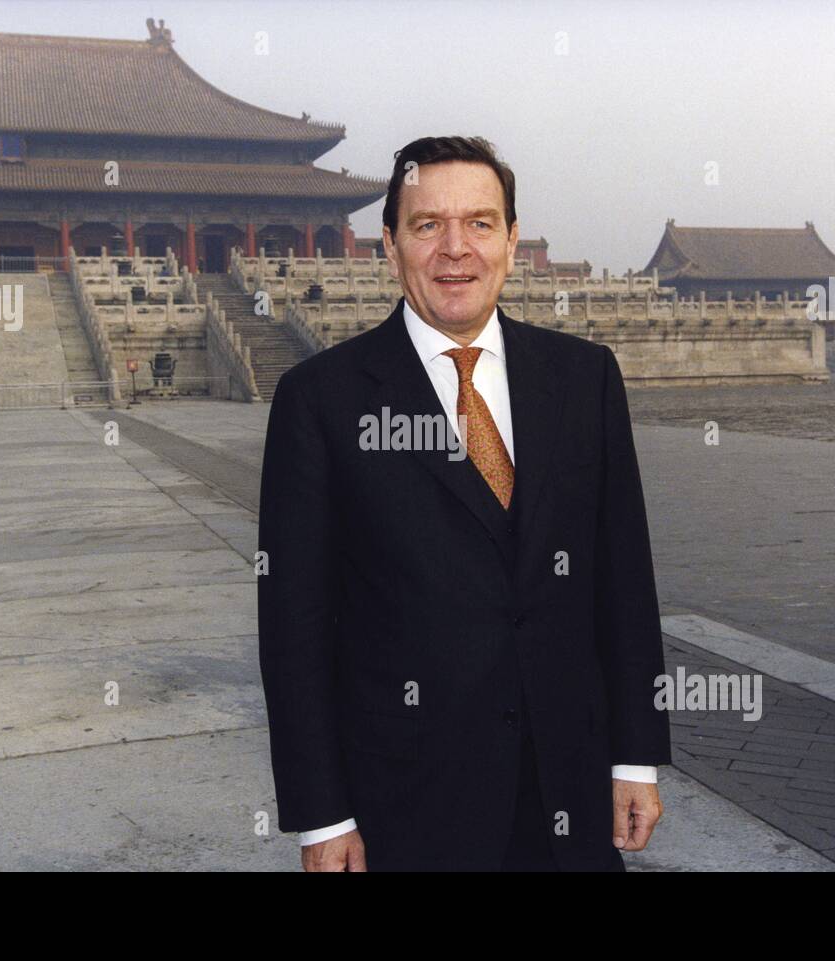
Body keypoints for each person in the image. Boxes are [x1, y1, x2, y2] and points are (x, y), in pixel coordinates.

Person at [257, 136, 670, 870]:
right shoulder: (322, 399)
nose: (456, 249)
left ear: (511, 241)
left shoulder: (583, 379)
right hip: (407, 803)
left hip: (567, 790)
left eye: (480, 223)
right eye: (427, 225)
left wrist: (634, 757)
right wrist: (322, 813)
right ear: (389, 245)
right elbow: (295, 626)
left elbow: (625, 584)